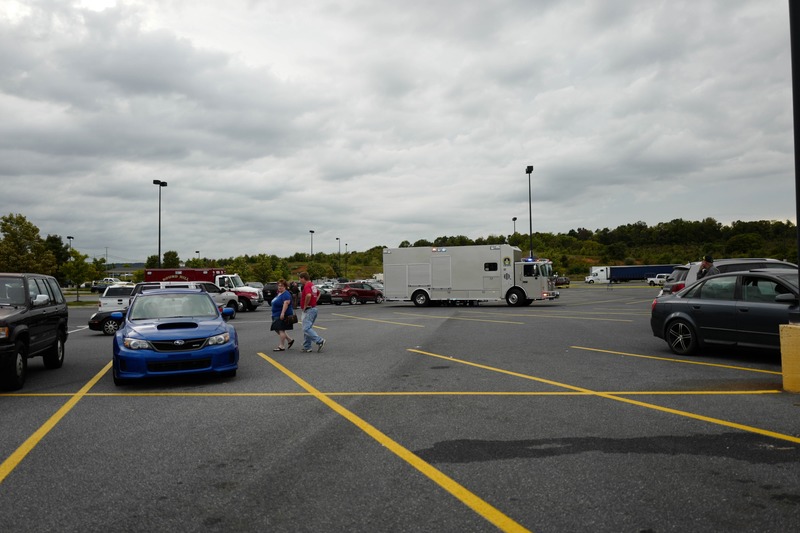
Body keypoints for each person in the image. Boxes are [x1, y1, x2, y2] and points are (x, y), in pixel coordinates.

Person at [298, 272, 326, 353]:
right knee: (307, 328)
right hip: (313, 308)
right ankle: (307, 346)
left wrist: (305, 305)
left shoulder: (307, 285)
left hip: (309, 310)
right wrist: (314, 301)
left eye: (300, 279)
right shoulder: (312, 285)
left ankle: (320, 341)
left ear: (303, 278)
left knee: (306, 328)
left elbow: (309, 295)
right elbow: (319, 293)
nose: (299, 280)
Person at [269, 279, 295, 351]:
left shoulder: (286, 294)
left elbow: (286, 303)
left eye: (282, 286)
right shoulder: (279, 293)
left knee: (281, 330)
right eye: (279, 285)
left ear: (285, 287)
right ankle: (290, 340)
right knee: (277, 329)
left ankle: (281, 346)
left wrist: (282, 313)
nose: (280, 287)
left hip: (282, 314)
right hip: (276, 314)